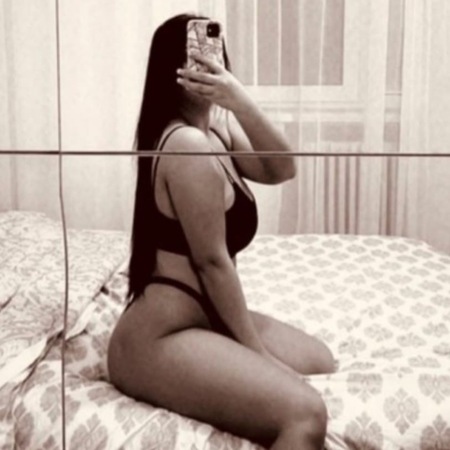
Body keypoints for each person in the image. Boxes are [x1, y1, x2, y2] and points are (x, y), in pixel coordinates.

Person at [107, 13, 335, 450]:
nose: (207, 63)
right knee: (306, 413)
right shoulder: (186, 145)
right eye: (194, 57)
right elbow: (212, 263)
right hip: (160, 336)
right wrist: (258, 355)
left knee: (321, 360)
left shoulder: (215, 133)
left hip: (207, 319)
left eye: (215, 55)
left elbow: (282, 168)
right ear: (172, 70)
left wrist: (238, 100)